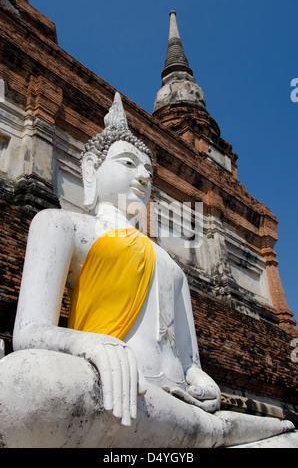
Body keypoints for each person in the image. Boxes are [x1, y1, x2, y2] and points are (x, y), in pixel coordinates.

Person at [0, 93, 293, 448]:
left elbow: (189, 362)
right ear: (92, 168)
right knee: (22, 384)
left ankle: (215, 428)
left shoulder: (173, 268)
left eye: (148, 171)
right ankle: (218, 431)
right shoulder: (61, 224)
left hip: (168, 401)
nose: (142, 177)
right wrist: (87, 343)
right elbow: (30, 332)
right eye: (128, 163)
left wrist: (201, 380)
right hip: (111, 386)